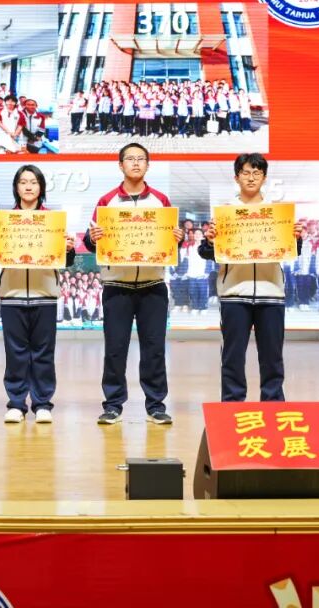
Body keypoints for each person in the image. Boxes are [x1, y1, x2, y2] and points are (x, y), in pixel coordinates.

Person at [84, 143, 183, 425]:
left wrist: (177, 239)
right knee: (115, 349)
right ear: (121, 165)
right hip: (117, 286)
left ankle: (156, 405)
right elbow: (91, 241)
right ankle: (113, 405)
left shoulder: (161, 201)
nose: (136, 163)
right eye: (130, 159)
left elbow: (170, 242)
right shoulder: (107, 202)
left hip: (153, 285)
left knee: (155, 348)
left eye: (141, 159)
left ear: (148, 165)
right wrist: (93, 238)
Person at [199, 153, 304, 402]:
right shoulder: (225, 213)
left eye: (257, 173)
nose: (251, 178)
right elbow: (206, 253)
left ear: (264, 178)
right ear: (236, 178)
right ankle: (232, 405)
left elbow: (292, 252)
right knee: (232, 357)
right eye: (245, 172)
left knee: (272, 357)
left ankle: (273, 403)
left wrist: (296, 238)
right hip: (234, 293)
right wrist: (211, 241)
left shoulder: (277, 213)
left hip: (271, 293)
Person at [0, 165, 76, 423]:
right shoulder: (4, 221)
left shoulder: (52, 221)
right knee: (15, 352)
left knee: (43, 352)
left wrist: (68, 248)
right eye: (23, 182)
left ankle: (42, 403)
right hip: (11, 294)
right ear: (16, 187)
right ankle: (16, 403)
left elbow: (65, 261)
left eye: (33, 182)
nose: (28, 187)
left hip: (45, 293)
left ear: (41, 187)